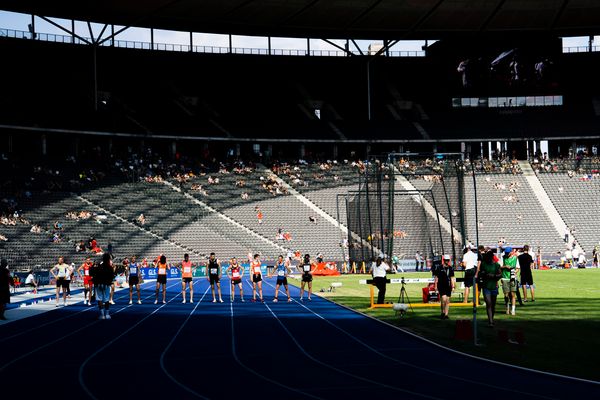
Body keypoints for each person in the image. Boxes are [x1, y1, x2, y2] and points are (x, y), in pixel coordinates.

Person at [479, 250, 501, 326]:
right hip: (486, 286)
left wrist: (494, 276)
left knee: (493, 305)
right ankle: (490, 321)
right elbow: (480, 273)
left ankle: (492, 318)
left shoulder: (496, 265)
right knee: (489, 303)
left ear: (492, 257)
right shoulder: (484, 264)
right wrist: (484, 274)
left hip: (494, 286)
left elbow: (500, 275)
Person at [434, 255, 455, 319]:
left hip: (448, 286)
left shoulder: (450, 268)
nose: (447, 261)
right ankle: (442, 312)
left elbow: (452, 277)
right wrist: (435, 286)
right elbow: (436, 277)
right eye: (446, 260)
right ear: (443, 260)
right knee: (443, 299)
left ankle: (446, 314)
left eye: (448, 260)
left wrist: (453, 286)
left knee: (447, 301)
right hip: (441, 285)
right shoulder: (439, 268)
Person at [95, 252, 115, 320]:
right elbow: (112, 276)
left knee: (99, 299)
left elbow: (95, 275)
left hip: (99, 284)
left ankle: (102, 315)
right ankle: (107, 314)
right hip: (106, 284)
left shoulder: (99, 266)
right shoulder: (110, 267)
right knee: (106, 299)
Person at [500, 247, 519, 316]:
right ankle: (507, 308)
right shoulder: (503, 257)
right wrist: (505, 266)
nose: (507, 254)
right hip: (505, 278)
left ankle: (513, 309)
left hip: (513, 278)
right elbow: (500, 266)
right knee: (506, 295)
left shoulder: (515, 258)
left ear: (511, 252)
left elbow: (517, 268)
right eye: (506, 253)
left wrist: (514, 273)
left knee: (513, 294)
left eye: (508, 253)